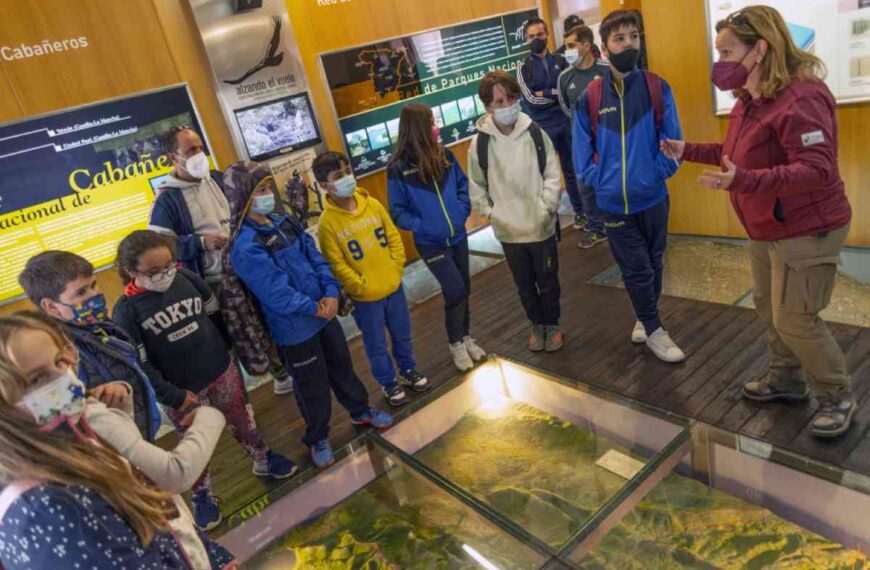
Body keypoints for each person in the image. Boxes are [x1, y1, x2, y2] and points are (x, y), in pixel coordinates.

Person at [664, 6, 855, 437]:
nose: (720, 63)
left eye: (728, 51)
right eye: (719, 52)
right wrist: (687, 150)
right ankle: (787, 381)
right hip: (767, 227)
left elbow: (817, 169)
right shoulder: (752, 98)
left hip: (807, 227)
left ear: (761, 48)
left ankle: (836, 394)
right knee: (770, 309)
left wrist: (745, 181)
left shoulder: (802, 97)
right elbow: (736, 153)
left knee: (796, 318)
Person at [0, 315, 236, 569]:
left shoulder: (74, 442)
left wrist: (208, 555)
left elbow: (143, 511)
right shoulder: (47, 512)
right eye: (36, 379)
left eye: (61, 361)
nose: (65, 377)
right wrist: (211, 415)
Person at [112, 230, 297, 530]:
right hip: (182, 390)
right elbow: (140, 365)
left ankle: (263, 457)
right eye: (154, 272)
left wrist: (227, 353)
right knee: (194, 442)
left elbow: (216, 317)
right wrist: (172, 396)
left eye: (169, 265)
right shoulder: (126, 311)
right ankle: (202, 495)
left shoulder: (187, 280)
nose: (165, 275)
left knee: (243, 419)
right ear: (132, 272)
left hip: (221, 370)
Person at [228, 162, 393, 468]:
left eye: (269, 188)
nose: (269, 195)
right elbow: (274, 291)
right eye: (260, 190)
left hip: (324, 315)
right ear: (243, 198)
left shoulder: (285, 223)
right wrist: (313, 307)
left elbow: (316, 259)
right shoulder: (246, 245)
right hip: (295, 329)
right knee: (311, 385)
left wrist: (330, 293)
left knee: (343, 367)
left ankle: (361, 411)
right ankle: (317, 436)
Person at [572, 9, 686, 363]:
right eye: (620, 38)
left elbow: (674, 144)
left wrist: (654, 174)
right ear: (604, 48)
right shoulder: (589, 98)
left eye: (634, 36)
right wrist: (602, 182)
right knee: (635, 268)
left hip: (652, 198)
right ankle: (655, 330)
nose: (629, 44)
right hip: (613, 204)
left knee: (653, 263)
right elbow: (581, 156)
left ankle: (644, 316)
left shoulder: (656, 87)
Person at [149, 125, 291, 395]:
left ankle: (281, 371)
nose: (199, 154)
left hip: (246, 268)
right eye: (190, 151)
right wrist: (201, 243)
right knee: (235, 335)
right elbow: (161, 248)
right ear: (172, 157)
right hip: (214, 282)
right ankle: (240, 394)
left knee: (263, 322)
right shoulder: (166, 200)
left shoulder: (216, 178)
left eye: (200, 148)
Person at [314, 151, 430, 406]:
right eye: (338, 176)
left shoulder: (372, 204)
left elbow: (393, 237)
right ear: (324, 186)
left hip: (393, 286)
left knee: (403, 333)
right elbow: (337, 263)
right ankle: (388, 382)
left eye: (347, 172)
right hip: (365, 298)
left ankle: (408, 370)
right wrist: (359, 286)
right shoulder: (328, 223)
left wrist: (396, 267)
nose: (347, 178)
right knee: (376, 343)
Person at [18, 251, 168, 441]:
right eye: (81, 292)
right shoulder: (57, 357)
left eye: (93, 285)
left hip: (139, 431)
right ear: (52, 306)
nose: (95, 294)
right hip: (115, 450)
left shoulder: (95, 323)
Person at [468, 71, 563, 353]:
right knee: (524, 286)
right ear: (487, 106)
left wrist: (546, 207)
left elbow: (552, 173)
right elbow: (476, 185)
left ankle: (553, 325)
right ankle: (536, 325)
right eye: (499, 101)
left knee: (548, 283)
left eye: (511, 98)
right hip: (509, 233)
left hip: (540, 227)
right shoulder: (480, 144)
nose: (507, 105)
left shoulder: (535, 132)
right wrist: (492, 214)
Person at [387, 103, 487, 372]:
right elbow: (398, 211)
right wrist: (424, 226)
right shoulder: (398, 168)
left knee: (464, 288)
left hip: (457, 235)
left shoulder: (445, 155)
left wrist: (462, 211)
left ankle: (465, 337)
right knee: (454, 289)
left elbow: (462, 185)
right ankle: (455, 343)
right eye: (431, 120)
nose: (436, 125)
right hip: (431, 243)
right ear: (418, 126)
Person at [518, 17, 585, 232]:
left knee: (573, 170)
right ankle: (550, 220)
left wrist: (546, 92)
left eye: (540, 34)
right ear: (526, 39)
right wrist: (555, 94)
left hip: (566, 122)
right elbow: (531, 100)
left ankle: (582, 214)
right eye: (531, 36)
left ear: (547, 35)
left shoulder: (562, 59)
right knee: (546, 176)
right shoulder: (523, 67)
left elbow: (570, 91)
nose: (536, 39)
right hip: (542, 128)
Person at [558, 25, 610, 249]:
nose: (567, 51)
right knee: (584, 187)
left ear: (587, 45)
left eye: (571, 45)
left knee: (610, 183)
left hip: (609, 140)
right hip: (580, 143)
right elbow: (566, 108)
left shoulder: (608, 70)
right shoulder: (564, 77)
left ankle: (618, 224)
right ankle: (597, 229)